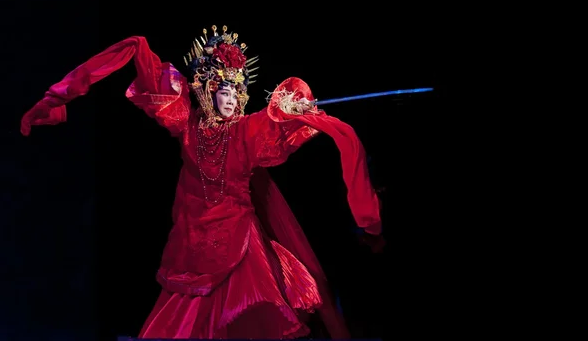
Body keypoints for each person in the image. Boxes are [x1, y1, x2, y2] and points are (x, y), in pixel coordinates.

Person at [20, 25, 383, 339]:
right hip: (193, 237)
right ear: (209, 91)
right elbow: (146, 66)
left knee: (250, 306)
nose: (233, 98)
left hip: (240, 235)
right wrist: (62, 95)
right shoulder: (188, 125)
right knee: (190, 317)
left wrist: (291, 109)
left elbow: (274, 122)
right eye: (224, 90)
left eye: (237, 91)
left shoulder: (247, 130)